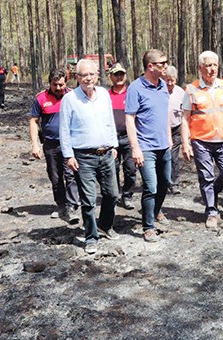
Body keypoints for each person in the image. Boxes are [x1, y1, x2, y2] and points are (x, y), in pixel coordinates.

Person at [59, 59, 120, 254]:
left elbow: (110, 120)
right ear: (77, 78)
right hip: (83, 157)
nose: (88, 78)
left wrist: (114, 144)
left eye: (91, 74)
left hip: (106, 153)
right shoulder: (70, 99)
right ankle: (91, 236)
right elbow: (64, 131)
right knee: (88, 199)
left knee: (112, 194)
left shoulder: (103, 94)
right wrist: (68, 155)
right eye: (83, 75)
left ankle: (105, 225)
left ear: (97, 76)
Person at [182, 51, 223, 228]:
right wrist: (186, 143)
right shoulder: (191, 89)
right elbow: (185, 118)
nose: (212, 69)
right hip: (201, 141)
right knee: (206, 177)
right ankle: (211, 212)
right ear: (200, 68)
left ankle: (211, 193)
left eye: (214, 65)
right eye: (207, 65)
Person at [125, 49, 172, 242]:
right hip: (145, 147)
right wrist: (135, 148)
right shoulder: (135, 88)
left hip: (164, 146)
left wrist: (169, 138)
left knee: (165, 182)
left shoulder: (162, 86)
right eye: (162, 63)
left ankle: (157, 210)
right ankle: (148, 226)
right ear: (150, 66)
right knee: (150, 187)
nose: (166, 66)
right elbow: (130, 118)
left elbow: (164, 114)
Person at [29, 69, 80, 224]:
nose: (58, 88)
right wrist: (35, 145)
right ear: (49, 83)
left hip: (70, 143)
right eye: (54, 85)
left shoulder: (73, 96)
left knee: (70, 174)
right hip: (50, 143)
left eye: (61, 84)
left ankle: (72, 205)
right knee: (55, 177)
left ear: (66, 83)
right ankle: (62, 205)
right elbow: (33, 121)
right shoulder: (40, 98)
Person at [108, 63, 137, 210]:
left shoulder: (131, 93)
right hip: (111, 139)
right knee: (113, 168)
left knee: (130, 169)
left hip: (128, 137)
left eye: (121, 74)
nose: (119, 77)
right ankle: (114, 195)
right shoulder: (106, 95)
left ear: (125, 76)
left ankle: (127, 196)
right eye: (116, 74)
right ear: (110, 77)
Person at [164, 65, 186, 195]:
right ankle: (163, 182)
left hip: (176, 128)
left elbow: (185, 114)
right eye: (168, 80)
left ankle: (174, 183)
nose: (170, 83)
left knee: (173, 157)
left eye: (172, 80)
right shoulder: (159, 90)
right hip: (161, 130)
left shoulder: (181, 93)